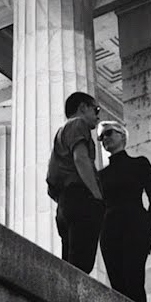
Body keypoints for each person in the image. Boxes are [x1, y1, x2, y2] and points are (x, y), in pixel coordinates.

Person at [96, 120, 151, 302]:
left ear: (122, 135)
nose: (104, 138)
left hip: (135, 227)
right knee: (118, 288)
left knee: (134, 282)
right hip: (109, 232)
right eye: (101, 137)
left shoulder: (139, 164)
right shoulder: (100, 175)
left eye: (108, 133)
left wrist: (145, 229)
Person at [45, 92, 103, 273]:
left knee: (70, 265)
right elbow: (81, 159)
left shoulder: (61, 132)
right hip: (80, 198)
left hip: (65, 202)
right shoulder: (78, 124)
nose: (98, 116)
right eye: (96, 109)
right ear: (83, 107)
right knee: (82, 265)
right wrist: (97, 195)